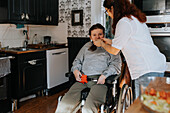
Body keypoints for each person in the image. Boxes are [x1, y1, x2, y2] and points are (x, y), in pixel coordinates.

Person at [94, 0, 167, 99]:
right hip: (155, 65)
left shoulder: (123, 22)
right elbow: (127, 41)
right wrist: (109, 41)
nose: (109, 15)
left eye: (107, 11)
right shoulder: (133, 19)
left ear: (113, 8)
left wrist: (101, 44)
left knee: (145, 107)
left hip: (146, 69)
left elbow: (115, 50)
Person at [55, 23, 122, 113]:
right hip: (83, 80)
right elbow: (77, 61)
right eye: (94, 35)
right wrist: (75, 70)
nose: (97, 37)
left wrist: (104, 75)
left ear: (104, 35)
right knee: (64, 105)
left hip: (100, 82)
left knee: (88, 109)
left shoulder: (111, 48)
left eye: (100, 34)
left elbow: (116, 65)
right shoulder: (86, 46)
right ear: (90, 37)